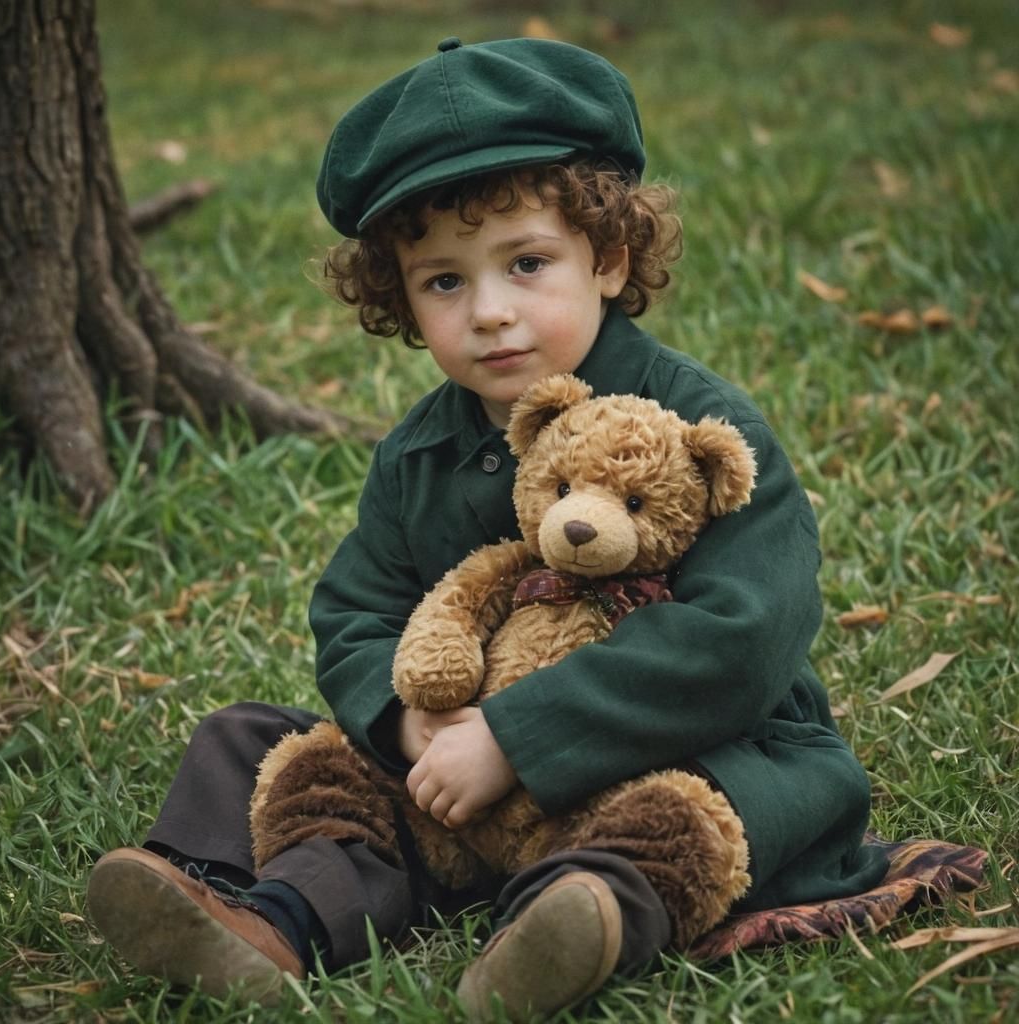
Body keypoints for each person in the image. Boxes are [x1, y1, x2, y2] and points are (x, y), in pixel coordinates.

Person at [87, 36, 889, 1019]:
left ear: (609, 258)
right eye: (444, 281)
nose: (490, 313)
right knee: (249, 740)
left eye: (526, 263)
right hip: (461, 779)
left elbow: (745, 635)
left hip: (682, 746)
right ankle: (268, 920)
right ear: (399, 296)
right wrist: (409, 721)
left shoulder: (697, 430)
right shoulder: (418, 452)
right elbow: (357, 609)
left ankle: (570, 923)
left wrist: (517, 737)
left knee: (709, 808)